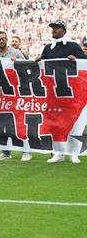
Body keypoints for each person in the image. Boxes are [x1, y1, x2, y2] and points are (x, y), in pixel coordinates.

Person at [39, 20, 87, 164]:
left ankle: (74, 154)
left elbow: (85, 62)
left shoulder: (73, 46)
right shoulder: (48, 48)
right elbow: (42, 65)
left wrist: (76, 59)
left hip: (73, 93)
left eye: (57, 28)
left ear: (64, 30)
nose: (54, 30)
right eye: (53, 28)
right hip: (54, 94)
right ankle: (58, 153)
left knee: (75, 125)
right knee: (55, 125)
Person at [0, 31, 32, 162]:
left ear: (6, 39)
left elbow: (27, 69)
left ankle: (26, 151)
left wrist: (17, 63)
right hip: (0, 94)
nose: (0, 41)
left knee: (20, 123)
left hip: (16, 93)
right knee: (2, 123)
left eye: (3, 39)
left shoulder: (16, 53)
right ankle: (5, 152)